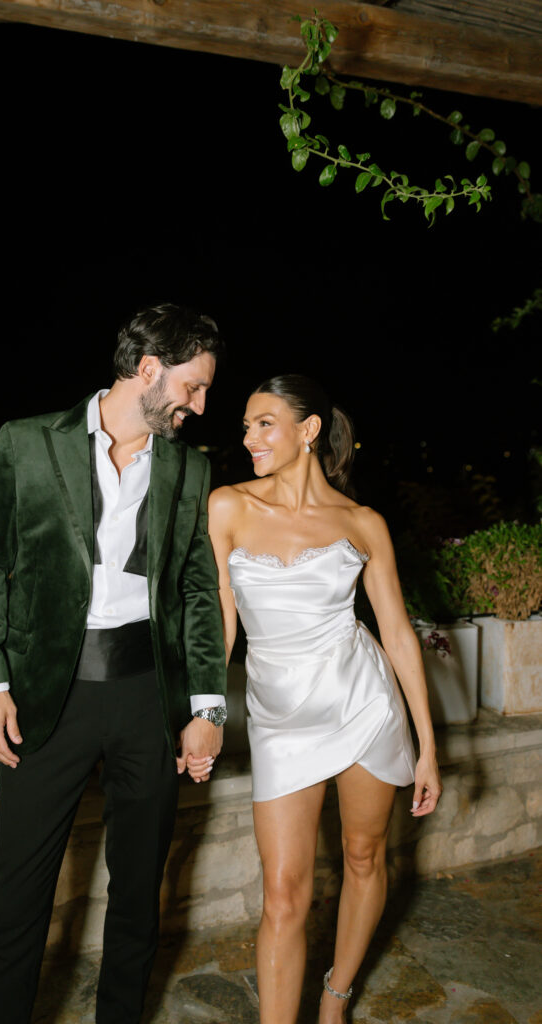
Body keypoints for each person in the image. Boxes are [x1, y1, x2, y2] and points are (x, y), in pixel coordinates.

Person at [0, 302, 228, 1024]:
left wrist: (206, 708)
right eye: (192, 387)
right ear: (147, 370)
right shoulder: (25, 444)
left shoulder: (188, 468)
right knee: (17, 901)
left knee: (138, 899)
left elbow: (199, 592)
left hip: (147, 697)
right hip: (49, 702)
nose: (200, 406)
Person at [202, 374, 442, 1024]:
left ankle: (336, 997)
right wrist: (204, 712)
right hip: (280, 717)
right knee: (282, 894)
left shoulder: (362, 523)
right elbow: (221, 624)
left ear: (308, 431)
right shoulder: (227, 506)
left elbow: (394, 631)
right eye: (246, 424)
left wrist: (425, 746)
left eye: (264, 424)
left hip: (361, 703)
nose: (247, 437)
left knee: (364, 856)